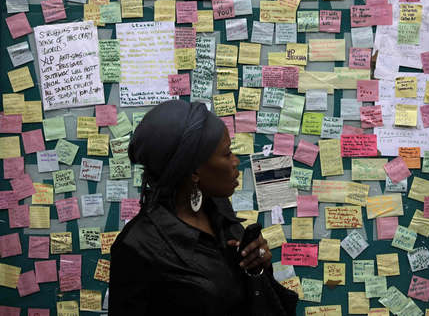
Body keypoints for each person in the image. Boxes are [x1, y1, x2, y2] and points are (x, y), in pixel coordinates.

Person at [109, 100, 297, 316]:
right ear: (194, 171)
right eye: (227, 154)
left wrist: (258, 267)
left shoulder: (220, 213)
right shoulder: (136, 247)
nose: (236, 162)